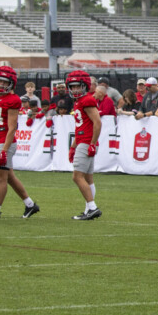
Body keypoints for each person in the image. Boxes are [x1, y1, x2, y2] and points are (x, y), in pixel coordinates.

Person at [0, 66, 40, 219]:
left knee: (0, 177)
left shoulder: (13, 100)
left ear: (11, 84)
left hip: (5, 142)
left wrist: (4, 149)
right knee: (9, 177)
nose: (1, 85)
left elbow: (12, 127)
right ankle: (30, 205)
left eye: (4, 82)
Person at [65, 71, 102, 220]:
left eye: (77, 87)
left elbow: (98, 123)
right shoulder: (79, 101)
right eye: (72, 87)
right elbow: (80, 128)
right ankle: (89, 210)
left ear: (84, 86)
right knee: (88, 178)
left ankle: (92, 207)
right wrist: (73, 146)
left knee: (77, 176)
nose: (75, 90)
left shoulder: (86, 100)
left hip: (87, 142)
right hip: (84, 141)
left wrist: (92, 143)